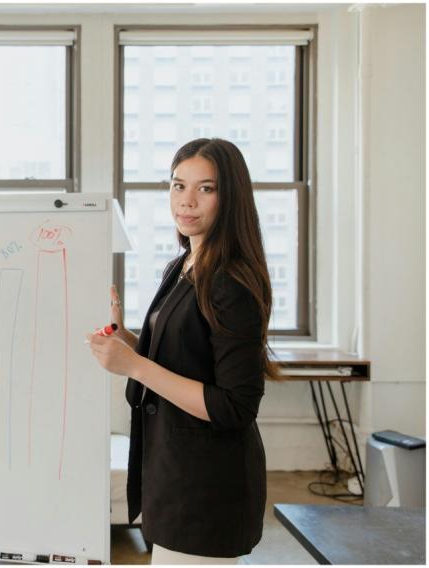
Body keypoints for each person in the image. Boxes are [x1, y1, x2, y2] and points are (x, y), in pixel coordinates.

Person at [87, 138, 280, 564]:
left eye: (206, 189)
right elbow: (182, 359)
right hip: (173, 472)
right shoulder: (184, 264)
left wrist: (135, 366)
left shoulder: (232, 282)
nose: (187, 201)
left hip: (207, 487)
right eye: (178, 186)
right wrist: (127, 340)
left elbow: (235, 405)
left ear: (231, 197)